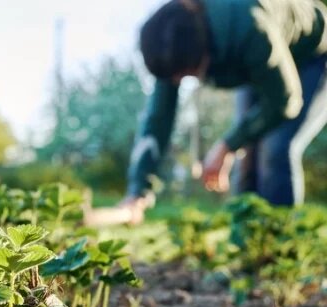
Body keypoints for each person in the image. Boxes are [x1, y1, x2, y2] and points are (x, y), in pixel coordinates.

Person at [85, 0, 327, 226]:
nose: (182, 81)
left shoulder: (249, 26)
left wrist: (226, 146)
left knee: (275, 149)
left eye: (187, 75)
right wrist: (139, 190)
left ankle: (282, 247)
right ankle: (247, 248)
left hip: (312, 58)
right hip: (260, 64)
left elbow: (285, 101)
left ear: (203, 51)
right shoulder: (171, 42)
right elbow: (159, 118)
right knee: (248, 156)